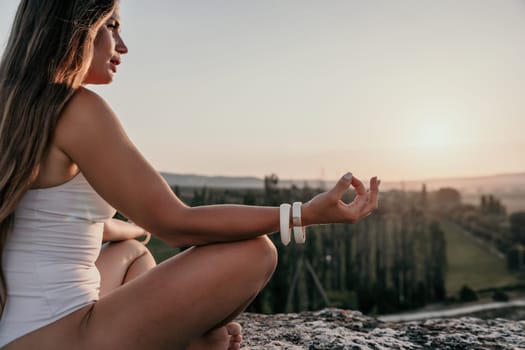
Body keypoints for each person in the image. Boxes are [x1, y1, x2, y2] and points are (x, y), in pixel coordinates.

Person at [0, 1, 380, 349]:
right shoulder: (76, 108)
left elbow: (48, 220)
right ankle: (186, 341)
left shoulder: (16, 105)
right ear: (75, 29)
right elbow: (177, 224)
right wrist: (304, 214)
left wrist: (133, 229)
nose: (122, 45)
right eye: (110, 26)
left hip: (16, 330)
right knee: (254, 252)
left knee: (133, 252)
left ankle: (181, 335)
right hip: (64, 336)